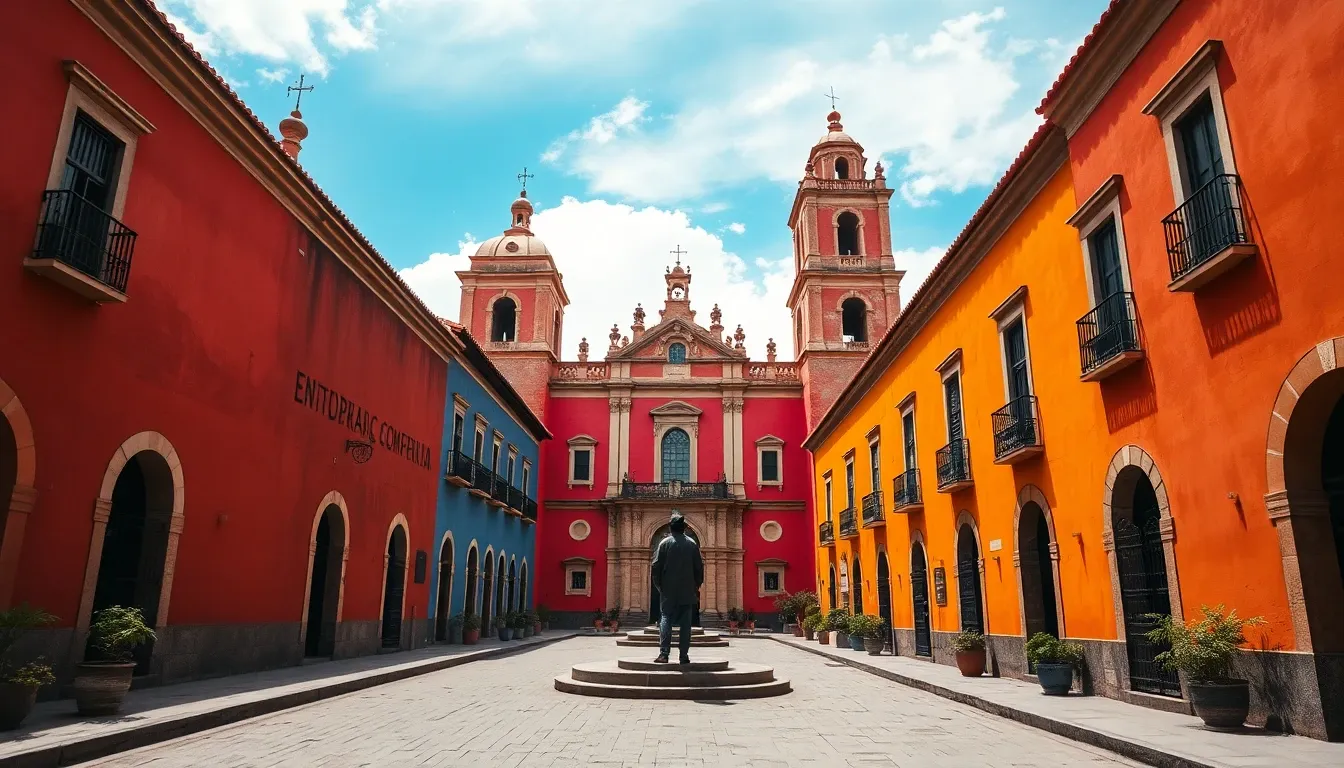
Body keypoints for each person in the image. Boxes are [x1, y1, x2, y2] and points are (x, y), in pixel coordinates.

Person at [650, 512, 704, 664]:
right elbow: (699, 568)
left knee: (665, 619)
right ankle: (684, 656)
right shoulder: (692, 544)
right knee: (686, 624)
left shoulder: (664, 543)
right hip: (687, 590)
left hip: (668, 590)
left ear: (671, 528)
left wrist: (659, 586)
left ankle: (664, 654)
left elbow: (656, 567)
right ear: (684, 528)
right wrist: (696, 586)